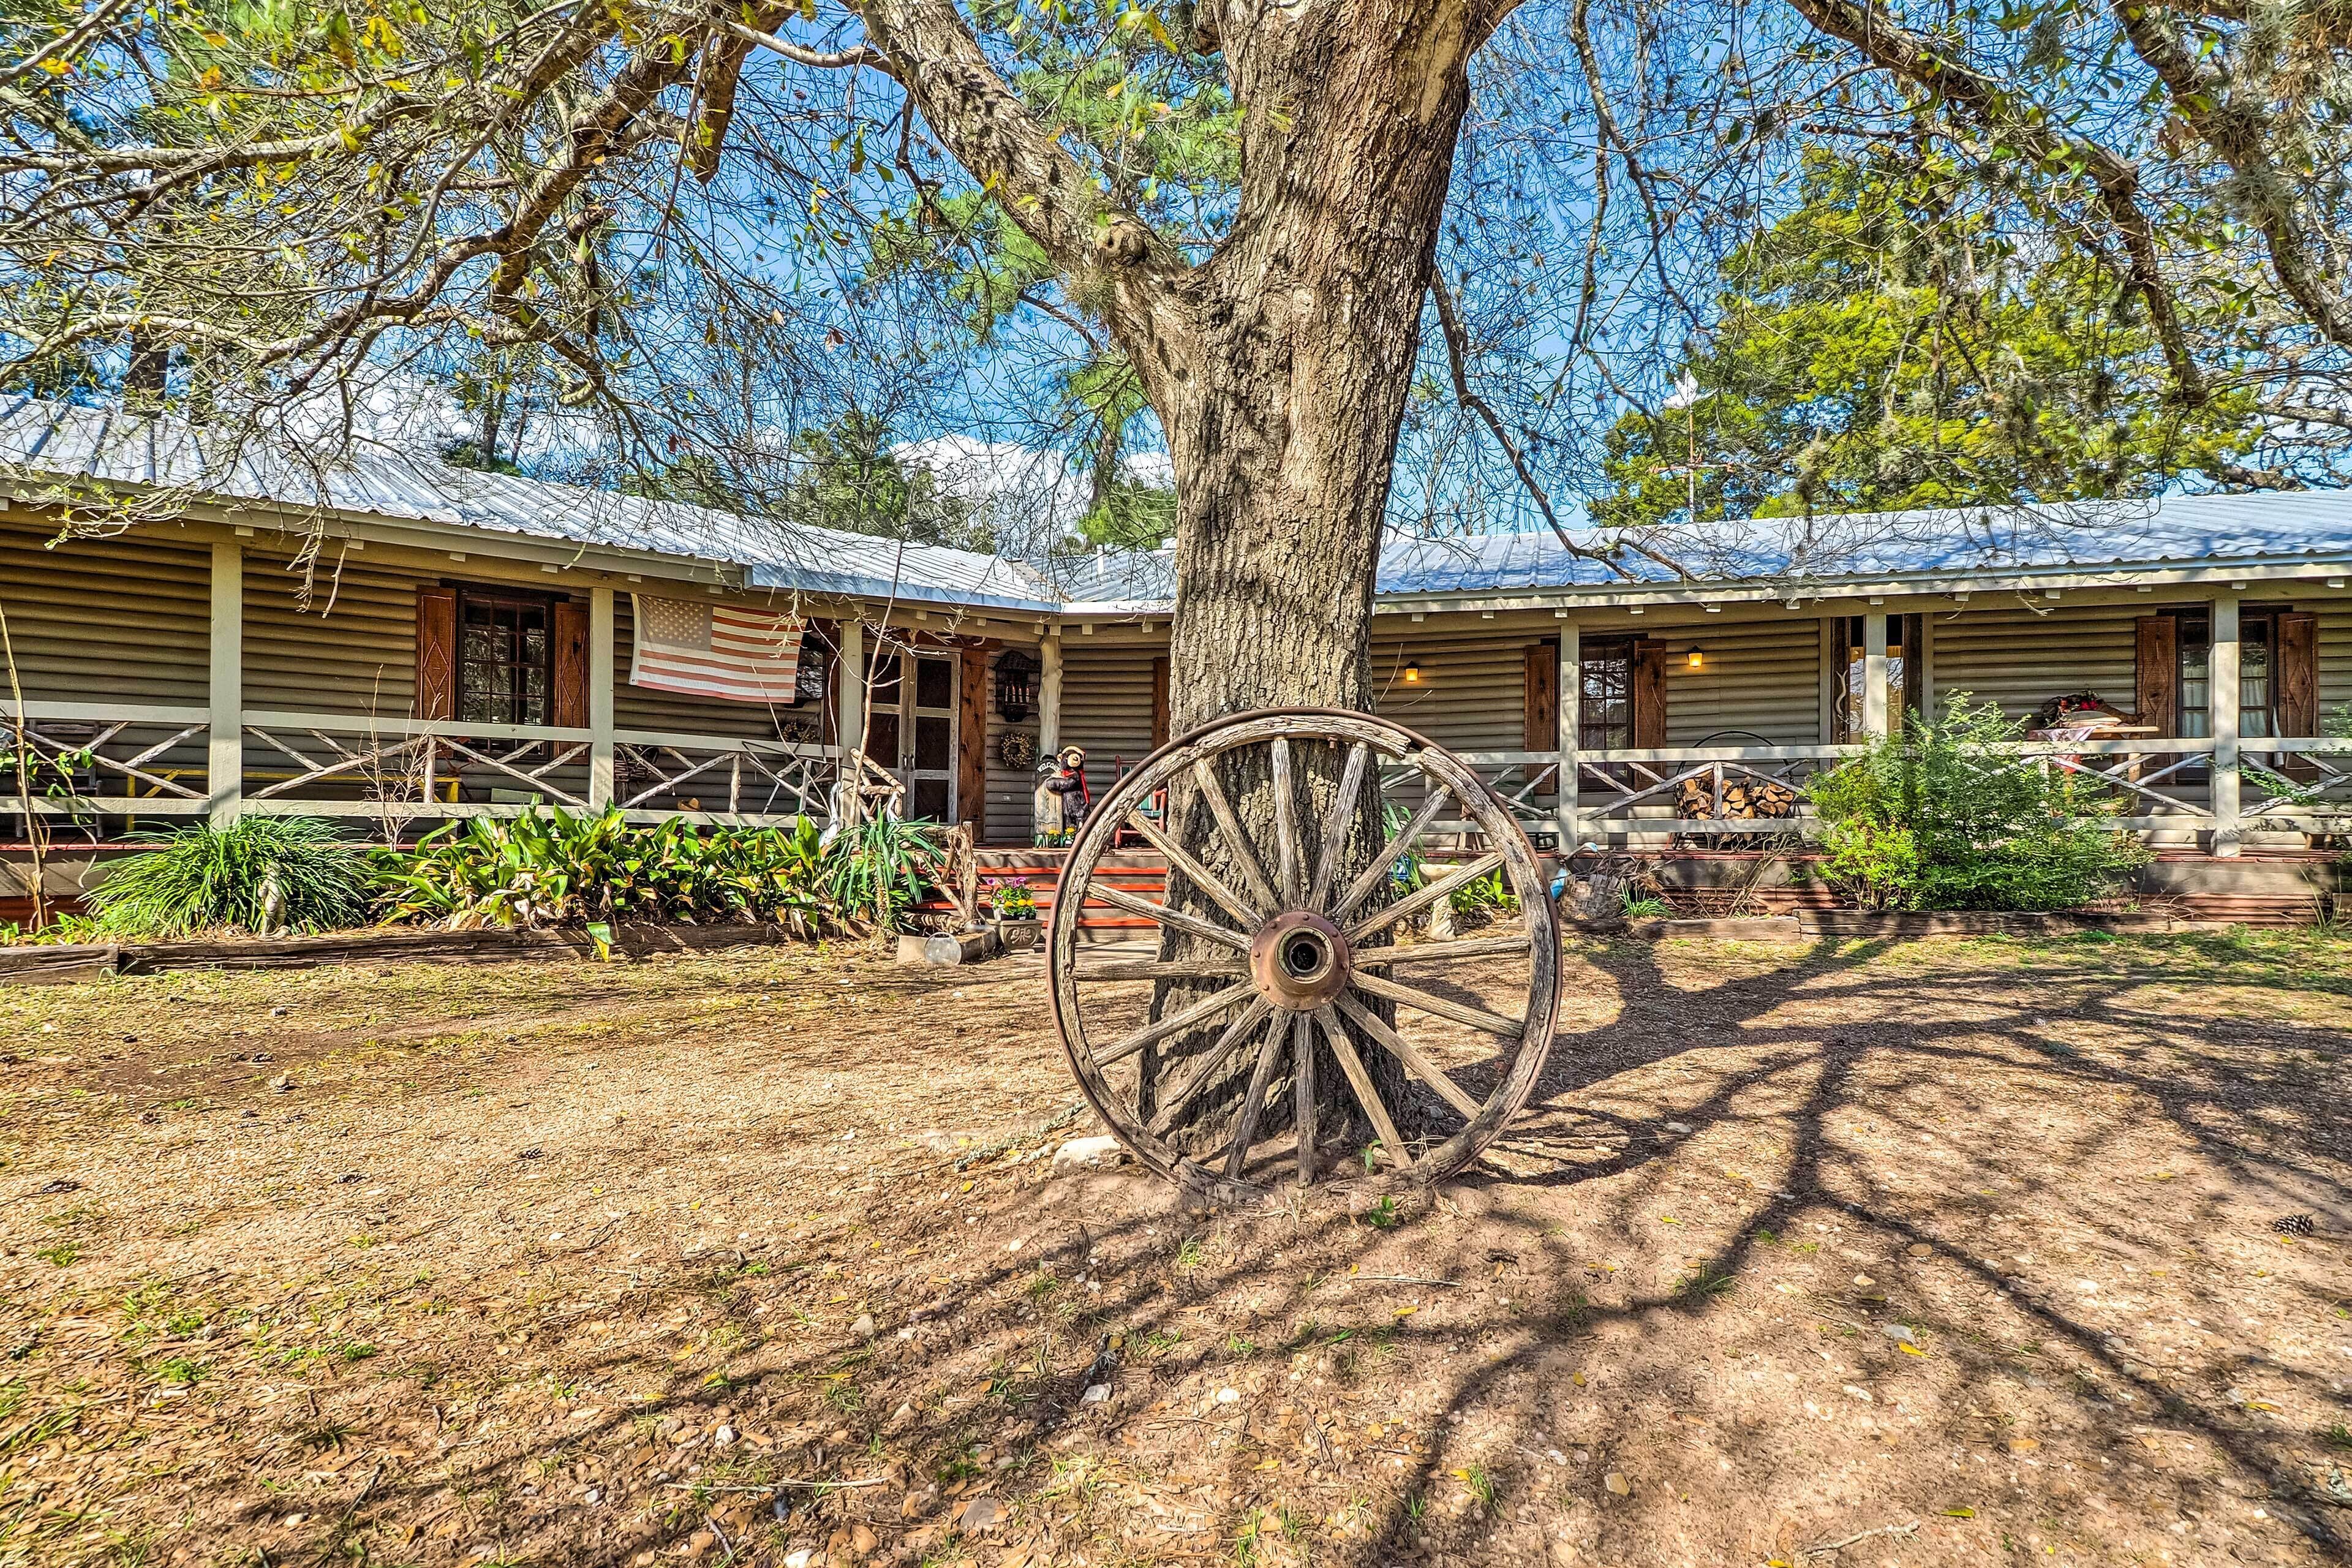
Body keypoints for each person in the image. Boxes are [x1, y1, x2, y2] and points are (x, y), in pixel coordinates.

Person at [1033, 746, 1090, 845]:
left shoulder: (1075, 775)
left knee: (1080, 822)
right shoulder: (1066, 774)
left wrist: (1052, 783)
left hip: (1079, 805)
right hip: (1068, 805)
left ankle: (1081, 840)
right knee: (1069, 822)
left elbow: (1066, 784)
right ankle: (1069, 839)